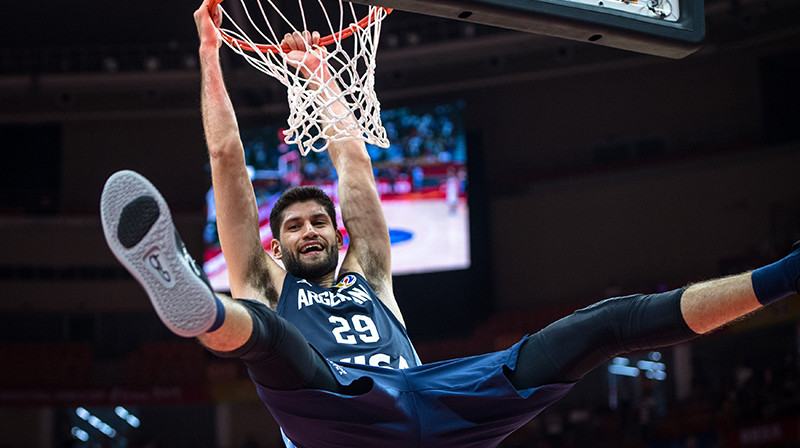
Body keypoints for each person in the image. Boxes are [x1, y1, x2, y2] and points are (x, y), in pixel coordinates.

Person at [100, 1, 800, 446]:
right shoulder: (266, 279)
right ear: (275, 245)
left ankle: (789, 272)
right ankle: (197, 307)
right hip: (336, 421)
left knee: (605, 324)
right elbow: (226, 158)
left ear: (338, 235)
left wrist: (321, 79)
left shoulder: (368, 272)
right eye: (295, 227)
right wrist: (208, 57)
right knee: (271, 337)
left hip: (434, 408)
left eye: (319, 222)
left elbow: (355, 170)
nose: (310, 230)